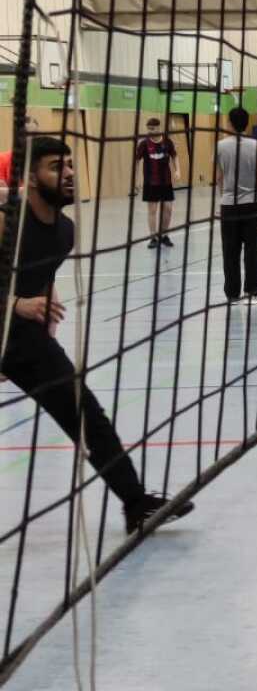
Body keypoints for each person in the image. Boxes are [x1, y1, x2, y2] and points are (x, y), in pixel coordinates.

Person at [0, 136, 194, 532]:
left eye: (71, 165)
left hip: (23, 340)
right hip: (12, 318)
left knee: (84, 412)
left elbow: (40, 272)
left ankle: (136, 504)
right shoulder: (7, 222)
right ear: (31, 178)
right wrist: (17, 304)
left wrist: (44, 305)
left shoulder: (65, 232)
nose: (69, 174)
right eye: (56, 167)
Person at [215, 107, 257, 305]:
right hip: (252, 205)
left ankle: (232, 295)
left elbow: (219, 177)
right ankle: (252, 292)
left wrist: (224, 197)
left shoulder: (220, 146)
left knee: (230, 250)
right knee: (252, 249)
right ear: (247, 124)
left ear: (230, 123)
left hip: (229, 206)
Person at [134, 117, 179, 249]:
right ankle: (153, 237)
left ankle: (164, 235)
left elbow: (175, 156)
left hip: (166, 182)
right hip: (150, 183)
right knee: (152, 210)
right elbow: (137, 161)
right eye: (148, 129)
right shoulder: (144, 144)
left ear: (159, 128)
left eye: (153, 129)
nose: (150, 131)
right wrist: (136, 180)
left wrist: (178, 170)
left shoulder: (167, 142)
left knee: (168, 209)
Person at [0, 115, 38, 204]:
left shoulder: (42, 161)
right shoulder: (2, 159)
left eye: (34, 135)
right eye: (25, 134)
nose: (29, 138)